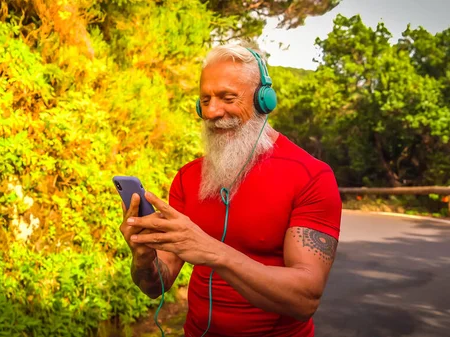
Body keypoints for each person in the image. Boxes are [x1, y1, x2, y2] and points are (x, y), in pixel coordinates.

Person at [119, 43, 342, 337]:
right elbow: (155, 286)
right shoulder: (188, 177)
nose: (211, 111)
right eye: (205, 99)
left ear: (264, 100)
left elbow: (305, 299)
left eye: (227, 97)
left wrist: (213, 252)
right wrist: (143, 258)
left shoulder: (312, 176)